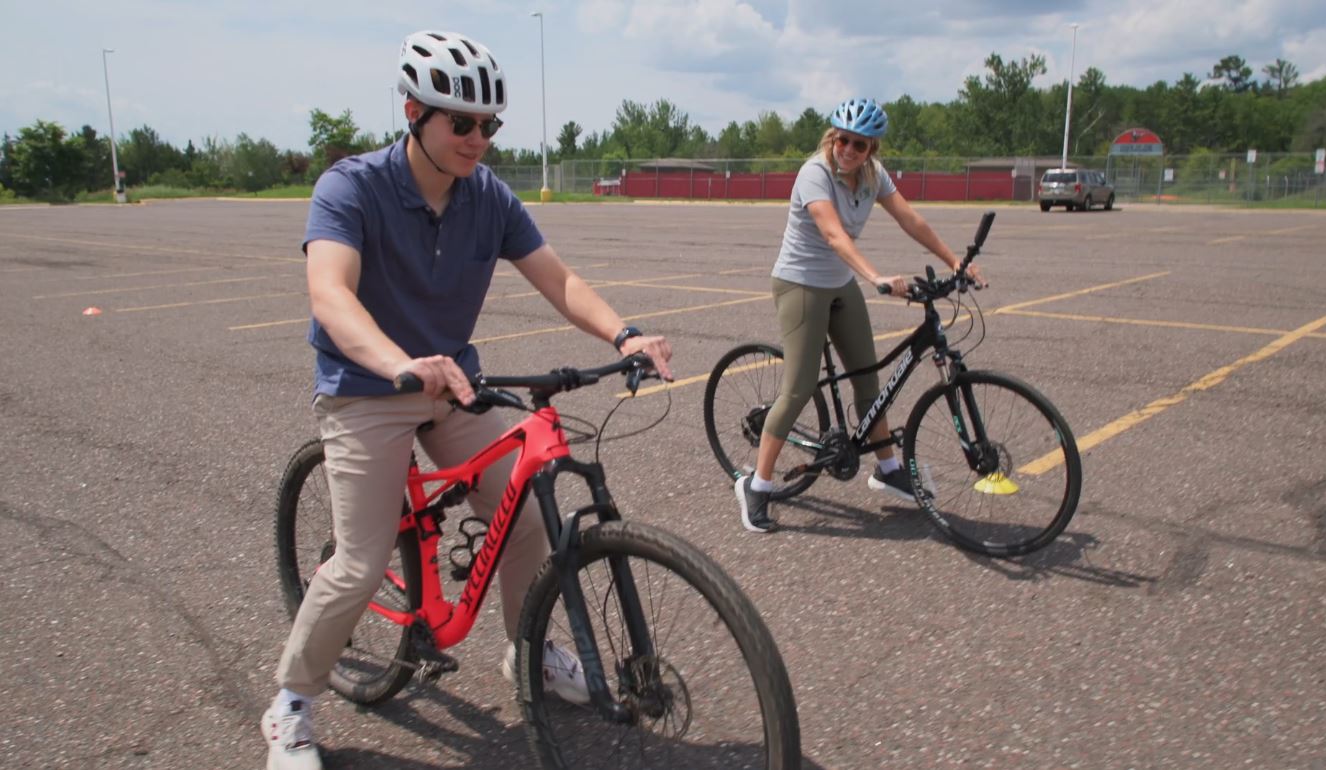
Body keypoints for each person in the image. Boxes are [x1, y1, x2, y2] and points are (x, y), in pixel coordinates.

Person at [262, 30, 673, 770]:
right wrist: (398, 364)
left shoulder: (489, 197)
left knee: (522, 510)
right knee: (357, 563)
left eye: (490, 126)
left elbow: (559, 279)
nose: (477, 139)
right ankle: (291, 702)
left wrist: (625, 334)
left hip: (455, 386)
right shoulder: (350, 187)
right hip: (368, 391)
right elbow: (330, 295)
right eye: (461, 123)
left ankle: (529, 653)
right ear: (414, 112)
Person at [734, 97, 985, 534]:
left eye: (860, 145)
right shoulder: (815, 173)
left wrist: (954, 263)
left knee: (868, 377)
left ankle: (887, 468)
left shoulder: (872, 175)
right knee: (799, 387)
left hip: (839, 284)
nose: (849, 150)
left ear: (873, 149)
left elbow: (910, 219)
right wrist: (876, 277)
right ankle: (758, 485)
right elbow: (832, 234)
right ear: (832, 137)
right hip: (800, 283)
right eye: (843, 140)